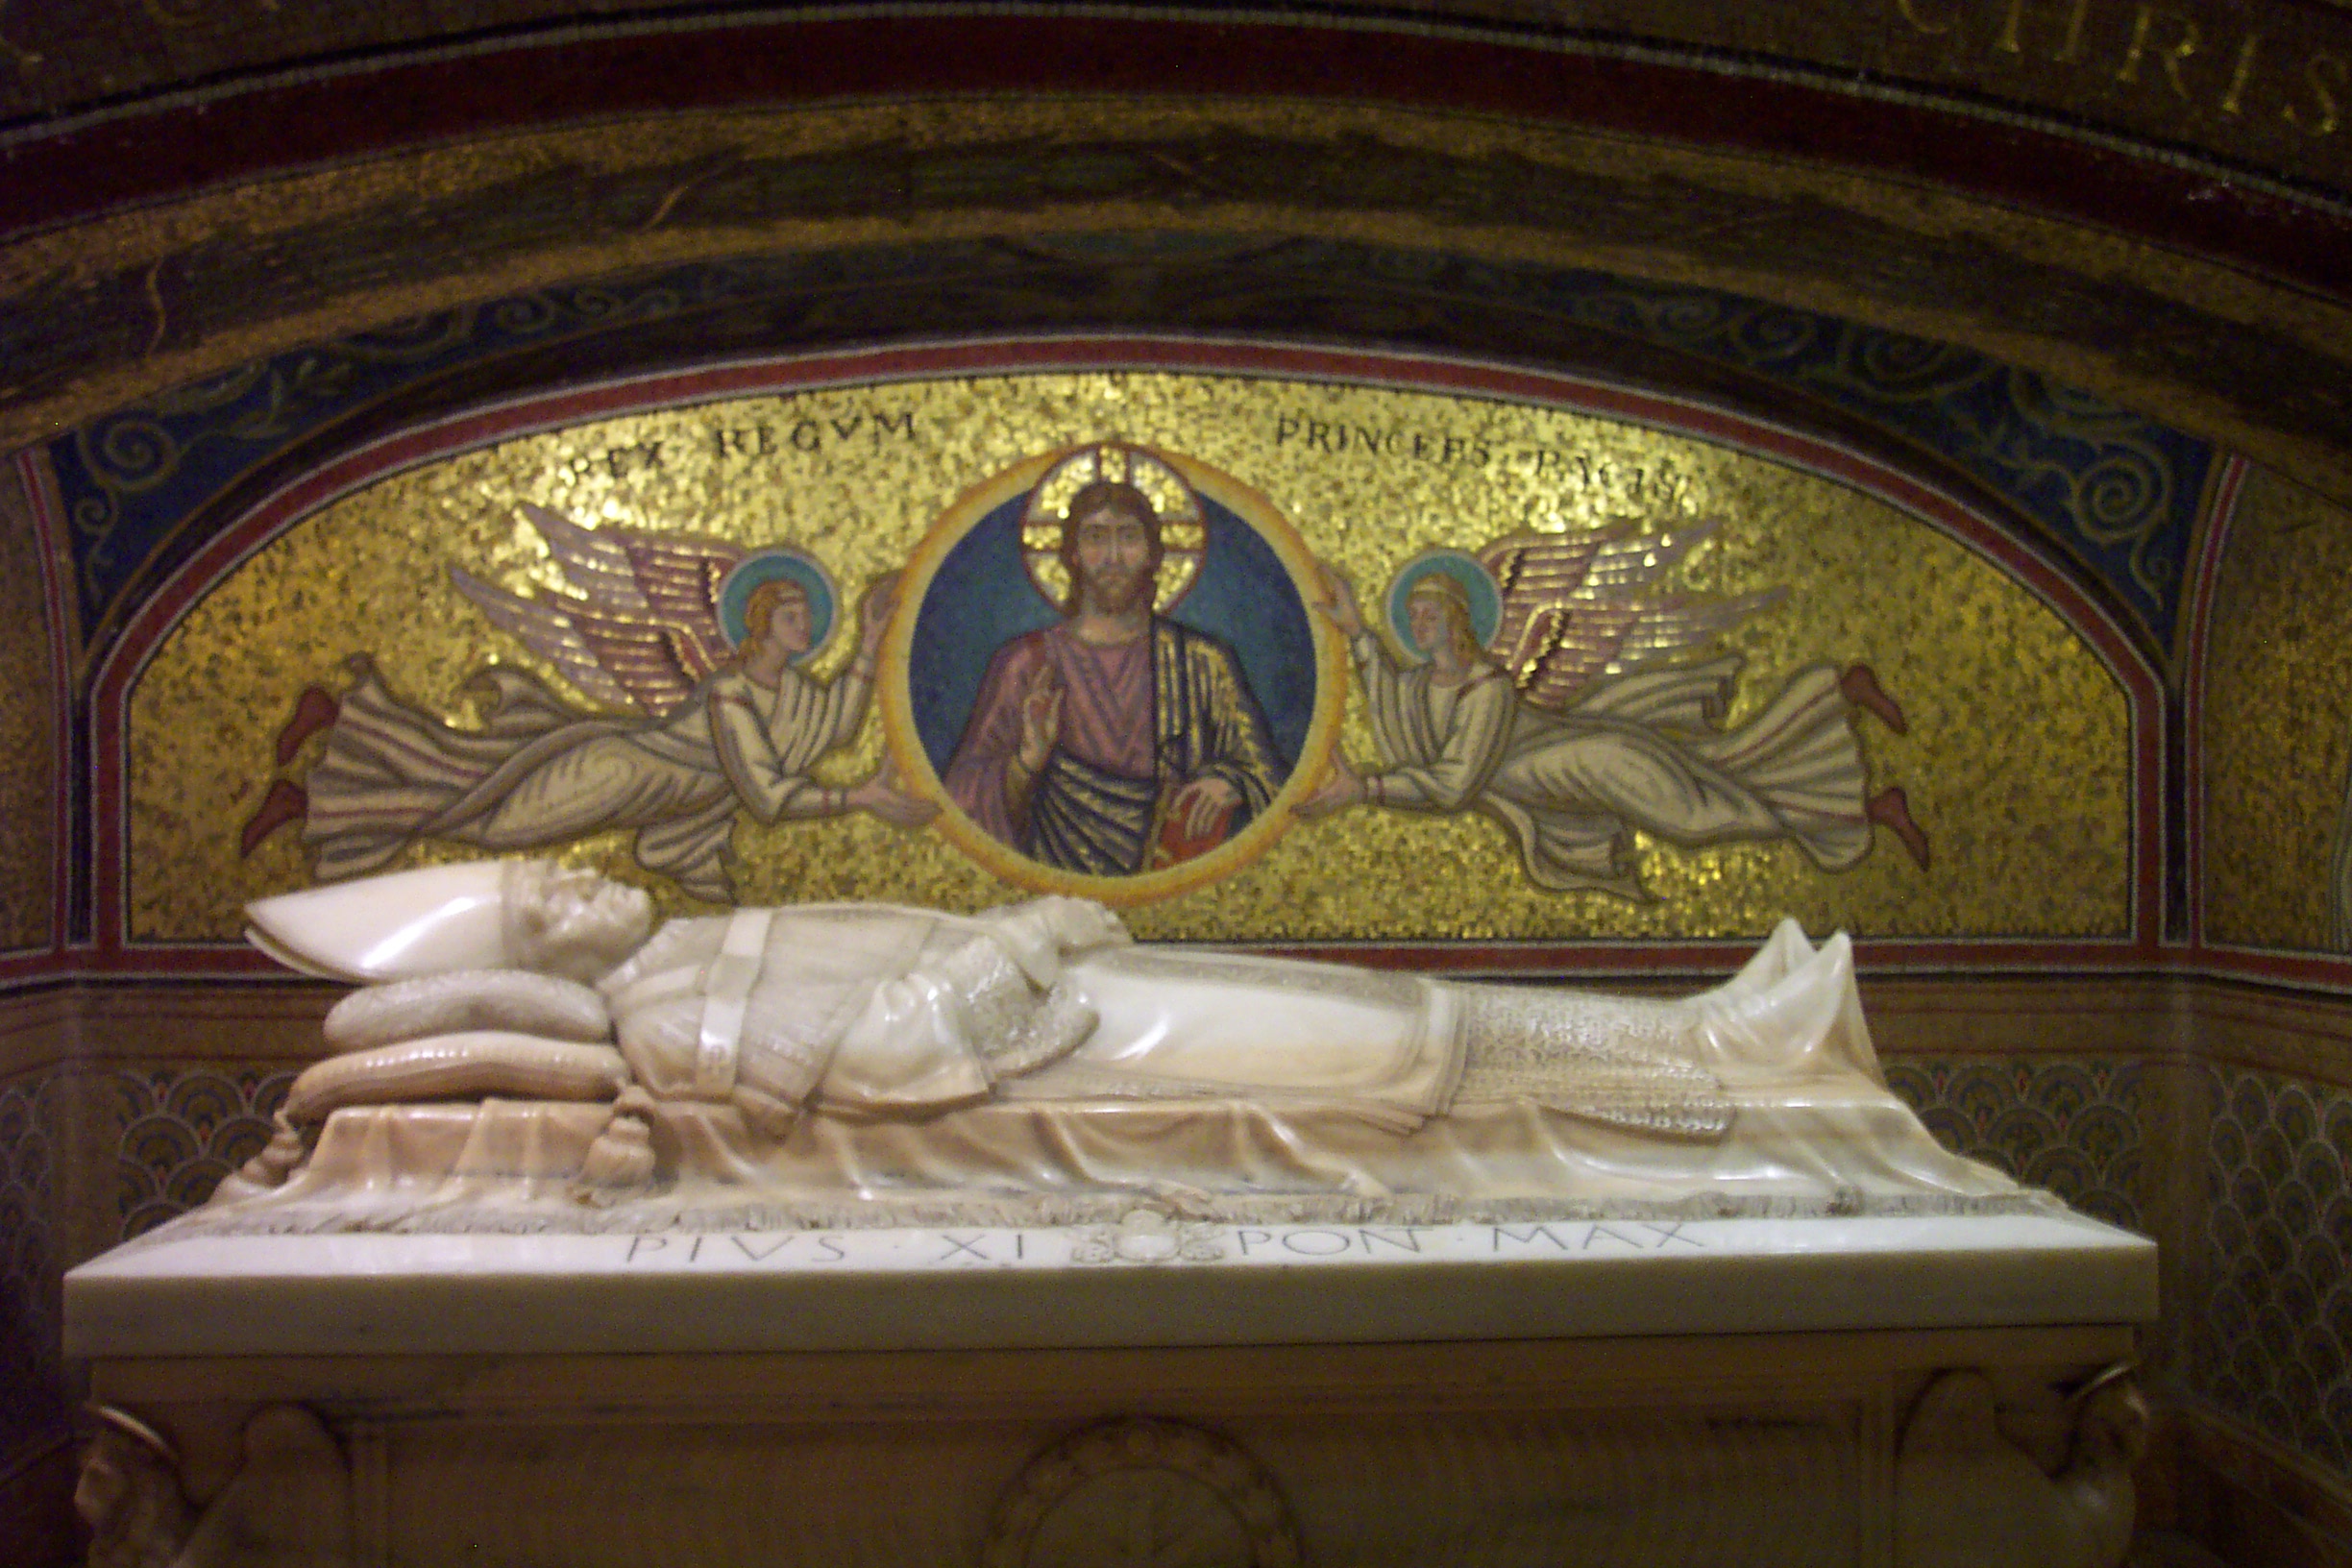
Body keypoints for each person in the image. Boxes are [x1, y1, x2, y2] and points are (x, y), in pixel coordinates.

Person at [254, 576, 932, 903]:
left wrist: (869, 641)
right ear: (760, 624)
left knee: (470, 778)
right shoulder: (732, 692)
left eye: (807, 616)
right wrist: (859, 799)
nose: (804, 627)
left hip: (647, 793)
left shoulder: (797, 694)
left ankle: (342, 726)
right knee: (483, 817)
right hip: (618, 774)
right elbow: (766, 796)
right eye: (791, 615)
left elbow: (837, 726)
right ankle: (318, 789)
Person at [1302, 567, 1929, 895]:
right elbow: (1389, 700)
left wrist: (1367, 790)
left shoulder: (1486, 688)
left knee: (1699, 818)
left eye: (1429, 613)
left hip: (1598, 761)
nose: (1418, 624)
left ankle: (1857, 777)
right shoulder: (1422, 685)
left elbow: (1455, 783)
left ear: (1457, 619)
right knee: (1727, 765)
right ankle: (1850, 733)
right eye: (1412, 615)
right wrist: (1358, 632)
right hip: (1569, 778)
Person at [941, 479, 1288, 874]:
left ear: (1153, 554)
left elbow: (1272, 784)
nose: (1113, 557)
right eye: (1095, 538)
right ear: (1072, 554)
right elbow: (961, 805)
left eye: (1128, 537)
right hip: (1053, 889)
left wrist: (1231, 783)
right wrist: (1026, 763)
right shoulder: (1027, 662)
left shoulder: (1201, 663)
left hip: (1174, 880)